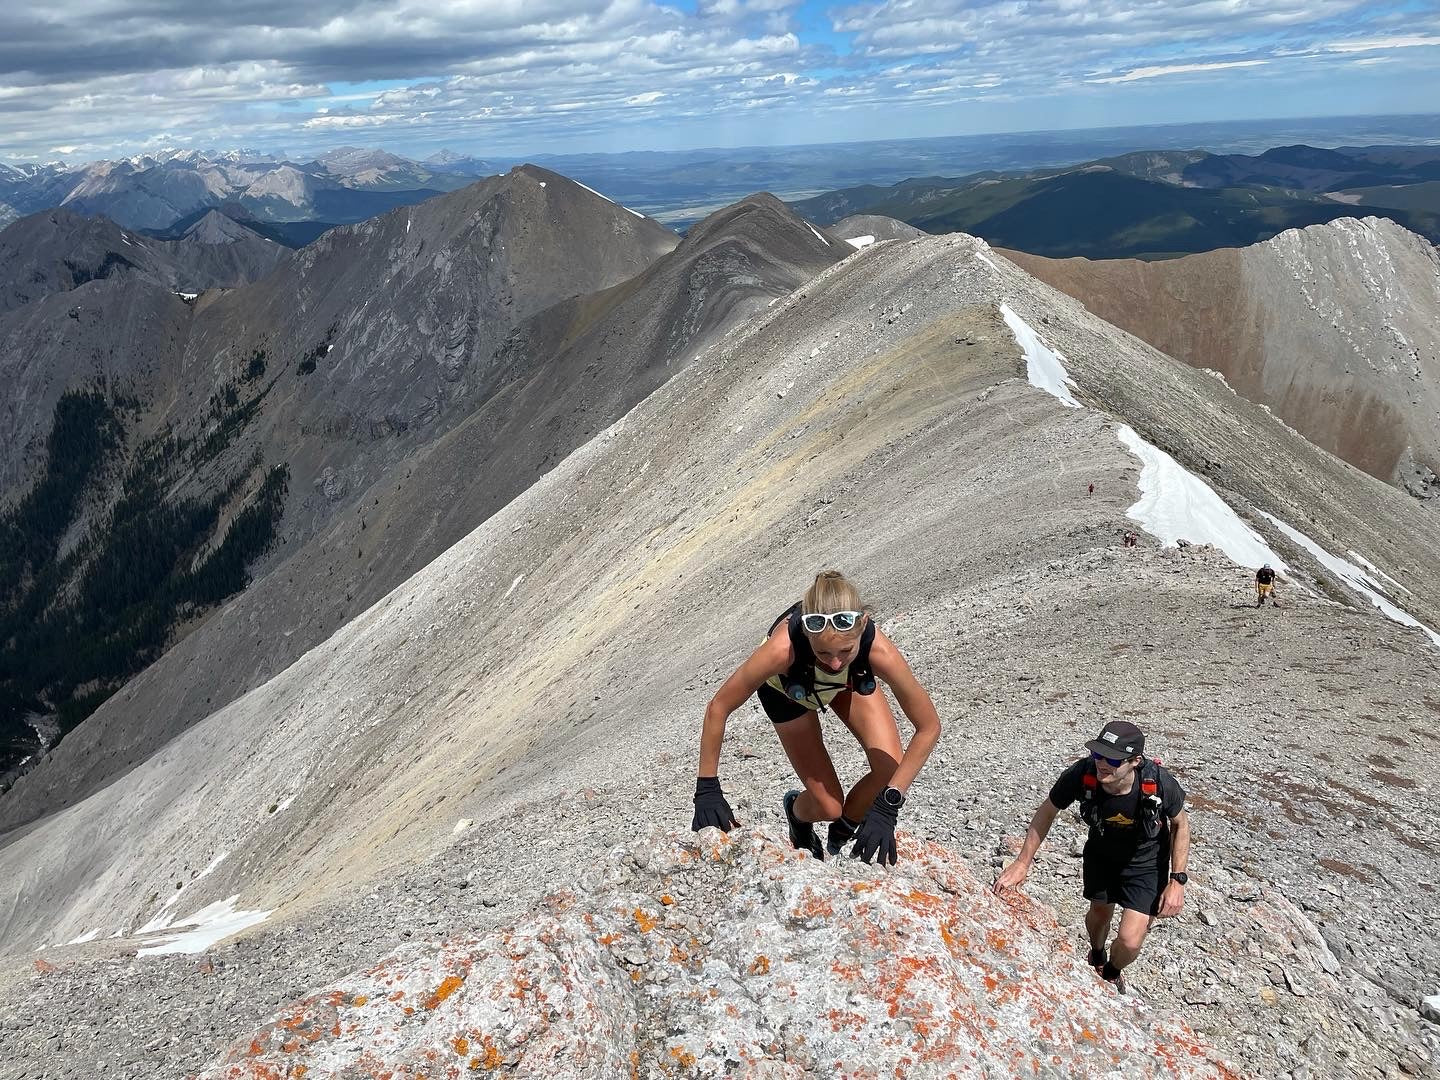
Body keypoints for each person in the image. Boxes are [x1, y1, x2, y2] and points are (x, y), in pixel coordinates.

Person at [691, 570, 943, 865]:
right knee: (828, 806)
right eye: (823, 652)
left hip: (846, 684)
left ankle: (844, 829)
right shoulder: (782, 649)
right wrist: (707, 788)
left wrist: (889, 804)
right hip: (786, 693)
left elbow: (928, 727)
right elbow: (719, 707)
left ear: (863, 625)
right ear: (807, 633)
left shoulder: (878, 650)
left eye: (846, 650)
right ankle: (797, 814)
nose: (835, 662)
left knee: (891, 771)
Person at [992, 720, 1189, 993]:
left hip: (1146, 862)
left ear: (1135, 761)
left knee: (1130, 940)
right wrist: (1022, 862)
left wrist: (1177, 881)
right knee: (1099, 913)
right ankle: (1097, 954)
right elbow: (1047, 811)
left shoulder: (1157, 782)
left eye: (1112, 759)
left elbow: (1181, 824)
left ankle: (1111, 973)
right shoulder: (1082, 773)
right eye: (1098, 754)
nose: (1102, 764)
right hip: (1101, 855)